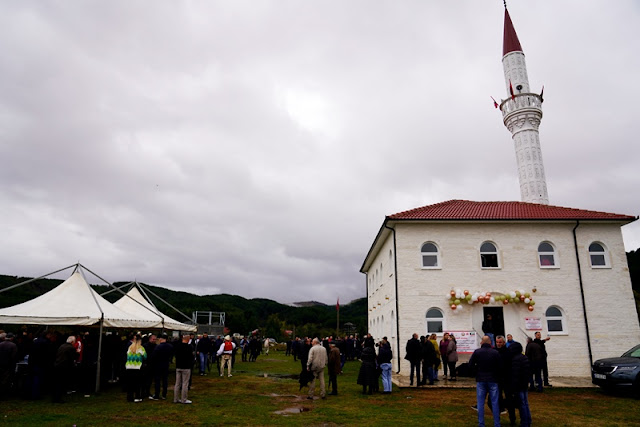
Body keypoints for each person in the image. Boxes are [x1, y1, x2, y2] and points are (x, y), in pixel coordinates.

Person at [469, 335, 501, 427]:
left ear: (482, 342)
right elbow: (500, 366)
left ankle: (481, 423)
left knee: (480, 403)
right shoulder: (495, 352)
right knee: (495, 402)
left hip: (481, 379)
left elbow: (470, 365)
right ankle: (497, 423)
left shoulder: (477, 352)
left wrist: (476, 371)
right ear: (490, 342)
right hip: (493, 379)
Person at [509, 342, 532, 427]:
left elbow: (516, 374)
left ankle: (525, 423)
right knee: (525, 403)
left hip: (519, 385)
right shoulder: (524, 357)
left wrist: (513, 386)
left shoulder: (516, 359)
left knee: (521, 404)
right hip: (524, 384)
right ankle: (528, 421)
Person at [150, 333, 173, 400]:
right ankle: (164, 394)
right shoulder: (170, 346)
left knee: (157, 380)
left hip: (158, 365)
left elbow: (154, 356)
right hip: (166, 364)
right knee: (165, 380)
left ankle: (157, 394)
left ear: (161, 339)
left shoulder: (158, 347)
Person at [125, 335, 147, 403]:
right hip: (137, 367)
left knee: (130, 383)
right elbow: (145, 356)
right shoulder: (141, 348)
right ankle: (137, 397)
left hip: (129, 367)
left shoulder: (130, 347)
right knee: (138, 383)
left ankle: (129, 397)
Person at [174, 334, 194, 404]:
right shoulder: (189, 347)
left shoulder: (178, 346)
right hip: (186, 367)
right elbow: (191, 357)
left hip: (178, 366)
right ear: (188, 339)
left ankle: (176, 398)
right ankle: (184, 399)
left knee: (177, 383)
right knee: (185, 384)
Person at [0, 332, 18, 401]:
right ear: (12, 338)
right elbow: (14, 357)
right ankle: (4, 394)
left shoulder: (0, 344)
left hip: (1, 364)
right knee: (6, 380)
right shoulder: (13, 345)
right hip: (8, 365)